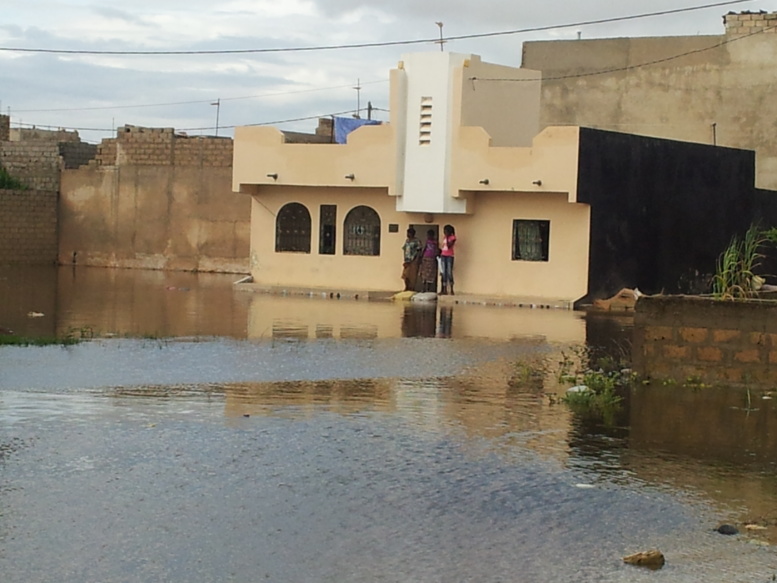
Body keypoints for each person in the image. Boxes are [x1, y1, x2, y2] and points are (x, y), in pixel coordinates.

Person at [440, 224, 456, 295]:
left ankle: (452, 289)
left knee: (449, 272)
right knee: (443, 273)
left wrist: (447, 238)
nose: (444, 232)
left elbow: (449, 246)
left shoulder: (453, 237)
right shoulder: (444, 237)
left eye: (446, 231)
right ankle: (444, 289)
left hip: (449, 256)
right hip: (443, 255)